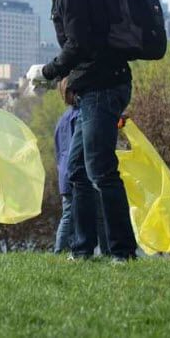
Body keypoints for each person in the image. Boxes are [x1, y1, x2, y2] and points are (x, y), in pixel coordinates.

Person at [24, 0, 137, 262]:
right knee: (78, 172)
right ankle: (82, 250)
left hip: (103, 88)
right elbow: (87, 45)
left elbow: (80, 44)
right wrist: (66, 78)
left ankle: (122, 252)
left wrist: (48, 72)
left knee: (101, 170)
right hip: (97, 86)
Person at [53, 78, 109, 255]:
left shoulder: (62, 119)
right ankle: (107, 249)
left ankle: (60, 249)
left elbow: (58, 148)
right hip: (82, 172)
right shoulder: (82, 116)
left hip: (64, 173)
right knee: (99, 214)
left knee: (68, 214)